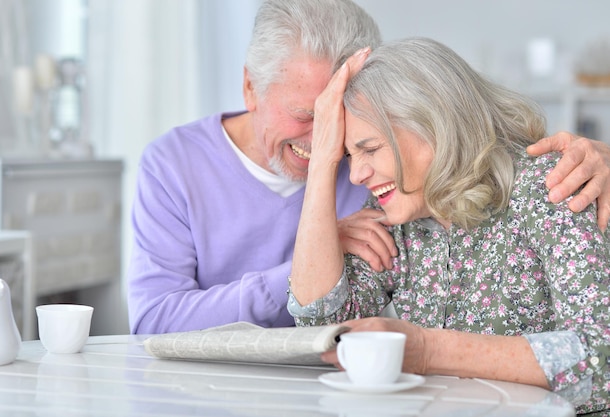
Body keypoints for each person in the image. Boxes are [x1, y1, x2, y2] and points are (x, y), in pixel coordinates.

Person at [127, 0, 610, 335]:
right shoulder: (173, 165)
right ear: (250, 88)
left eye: (338, 124)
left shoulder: (393, 184)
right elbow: (154, 322)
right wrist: (322, 238)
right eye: (307, 117)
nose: (330, 150)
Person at [287, 38, 610, 416]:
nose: (356, 175)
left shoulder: (552, 185)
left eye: (370, 149)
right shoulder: (393, 212)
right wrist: (322, 161)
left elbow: (601, 359)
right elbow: (320, 328)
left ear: (434, 124)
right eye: (347, 156)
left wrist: (428, 350)